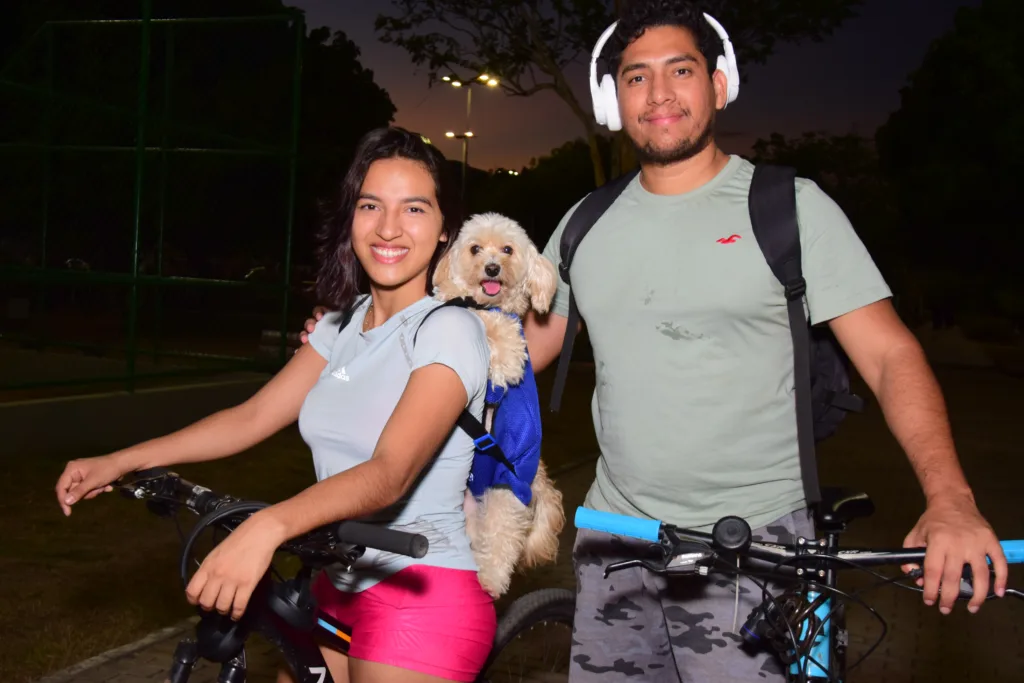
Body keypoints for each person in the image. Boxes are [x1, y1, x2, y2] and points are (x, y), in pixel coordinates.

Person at [299, 4, 1009, 682]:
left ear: (719, 83)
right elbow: (507, 348)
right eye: (636, 76)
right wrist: (360, 339)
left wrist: (950, 498)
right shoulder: (586, 222)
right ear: (615, 101)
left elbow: (890, 356)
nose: (658, 93)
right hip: (616, 543)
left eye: (681, 70)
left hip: (753, 546)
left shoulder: (789, 208)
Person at [55, 127, 497, 683]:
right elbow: (252, 417)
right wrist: (122, 460)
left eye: (413, 208)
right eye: (370, 206)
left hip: (421, 591)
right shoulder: (340, 322)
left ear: (444, 230)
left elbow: (390, 473)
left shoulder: (449, 330)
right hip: (334, 582)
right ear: (350, 218)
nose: (388, 228)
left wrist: (268, 526)